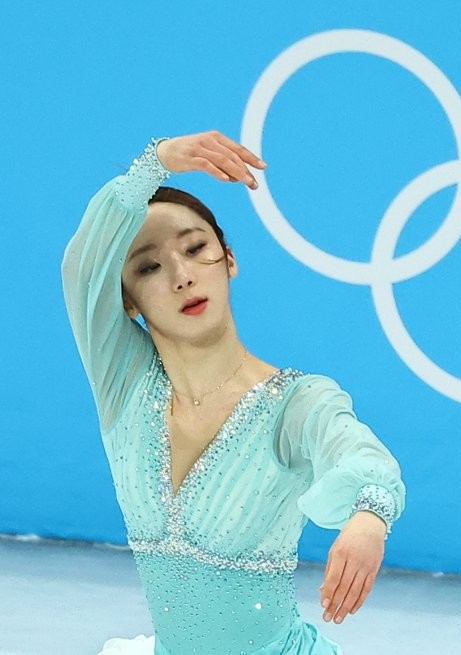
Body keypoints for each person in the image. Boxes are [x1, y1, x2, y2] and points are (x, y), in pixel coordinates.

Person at [61, 131, 407, 654]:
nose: (181, 276)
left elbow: (355, 450)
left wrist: (368, 518)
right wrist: (153, 164)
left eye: (196, 249)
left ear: (228, 260)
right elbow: (82, 270)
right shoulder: (124, 386)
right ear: (128, 301)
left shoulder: (295, 403)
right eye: (149, 266)